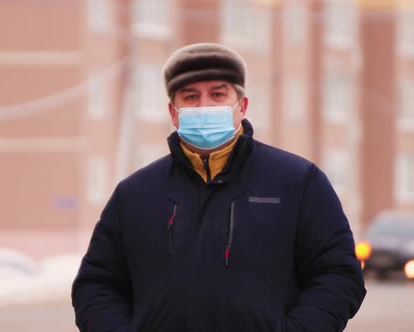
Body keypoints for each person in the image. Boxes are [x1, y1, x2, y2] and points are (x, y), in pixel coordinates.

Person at [72, 43, 366, 332]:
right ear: (173, 113)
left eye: (217, 94)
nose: (204, 106)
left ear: (242, 107)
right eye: (190, 97)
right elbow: (97, 285)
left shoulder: (298, 182)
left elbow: (338, 276)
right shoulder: (135, 194)